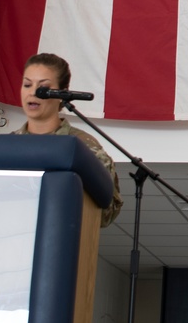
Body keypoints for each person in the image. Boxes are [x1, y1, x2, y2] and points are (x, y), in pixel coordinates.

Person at [16, 53, 122, 227]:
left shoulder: (83, 146)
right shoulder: (7, 145)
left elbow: (106, 213)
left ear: (61, 94)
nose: (33, 92)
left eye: (43, 87)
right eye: (27, 84)